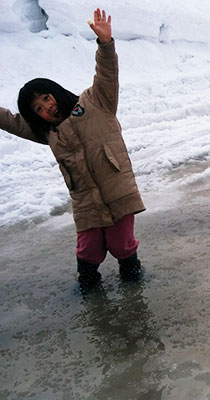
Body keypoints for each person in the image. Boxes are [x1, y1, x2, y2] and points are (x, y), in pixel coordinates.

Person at [0, 9, 145, 291]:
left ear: (54, 91)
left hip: (117, 190)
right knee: (88, 251)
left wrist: (105, 44)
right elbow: (13, 123)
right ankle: (90, 292)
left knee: (121, 245)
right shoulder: (48, 133)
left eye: (46, 98)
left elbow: (107, 73)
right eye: (38, 109)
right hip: (85, 200)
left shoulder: (96, 102)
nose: (47, 107)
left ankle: (134, 287)